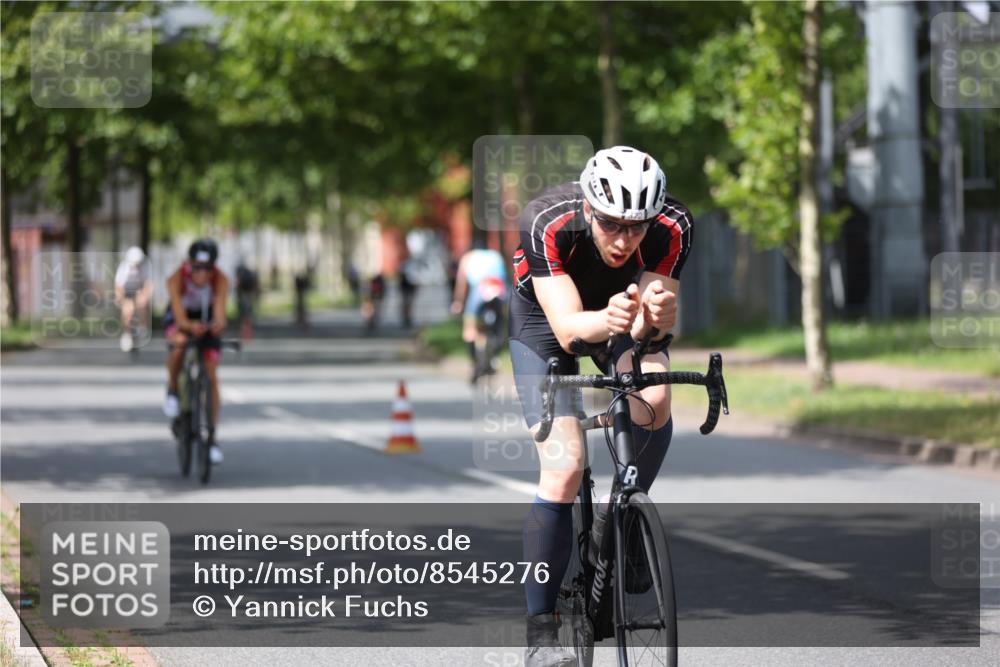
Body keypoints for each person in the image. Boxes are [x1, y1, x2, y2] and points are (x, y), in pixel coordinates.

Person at [509, 146, 693, 666]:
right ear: (589, 208)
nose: (623, 239)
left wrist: (656, 315)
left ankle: (622, 523)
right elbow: (569, 332)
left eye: (637, 227)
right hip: (546, 323)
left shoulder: (674, 226)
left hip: (622, 314)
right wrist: (613, 316)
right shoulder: (546, 220)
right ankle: (541, 636)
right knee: (565, 469)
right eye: (611, 223)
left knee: (654, 399)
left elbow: (649, 332)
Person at [163, 239, 230, 464]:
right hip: (182, 317)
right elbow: (180, 318)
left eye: (207, 269)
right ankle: (173, 388)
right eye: (197, 268)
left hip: (206, 316)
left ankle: (211, 436)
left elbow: (220, 312)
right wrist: (191, 327)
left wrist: (217, 325)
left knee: (212, 374)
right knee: (179, 344)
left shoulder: (221, 280)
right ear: (189, 264)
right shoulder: (176, 279)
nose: (202, 274)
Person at [450, 240, 508, 382]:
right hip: (499, 288)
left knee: (470, 327)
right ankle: (496, 355)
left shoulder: (467, 258)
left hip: (480, 289)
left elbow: (461, 284)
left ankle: (475, 362)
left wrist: (458, 302)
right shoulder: (495, 255)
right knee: (502, 320)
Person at [113, 246, 153, 352]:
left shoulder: (146, 265)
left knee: (142, 304)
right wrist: (121, 299)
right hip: (127, 291)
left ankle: (142, 327)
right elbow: (119, 286)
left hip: (139, 289)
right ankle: (127, 333)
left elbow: (148, 284)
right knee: (127, 310)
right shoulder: (124, 267)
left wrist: (144, 297)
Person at [234, 260, 259, 342]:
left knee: (243, 317)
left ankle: (244, 335)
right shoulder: (250, 274)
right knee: (249, 316)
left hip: (242, 295)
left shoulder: (240, 274)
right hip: (249, 295)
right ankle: (249, 334)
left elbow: (237, 285)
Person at [398, 259, 419, 329]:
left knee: (409, 303)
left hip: (411, 287)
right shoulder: (404, 264)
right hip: (405, 287)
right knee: (406, 303)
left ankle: (408, 317)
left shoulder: (412, 264)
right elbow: (400, 279)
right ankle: (405, 317)